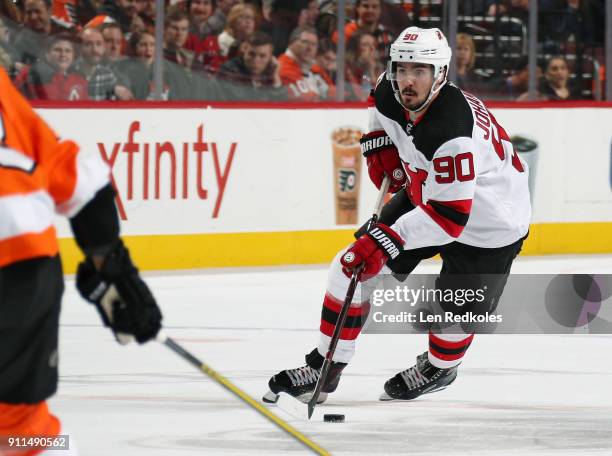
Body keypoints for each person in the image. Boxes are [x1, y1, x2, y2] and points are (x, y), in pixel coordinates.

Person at [264, 27, 531, 403]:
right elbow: (378, 100)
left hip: (489, 222)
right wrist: (380, 144)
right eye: (401, 68)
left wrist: (386, 240)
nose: (407, 80)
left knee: (454, 317)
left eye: (419, 70)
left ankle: (439, 368)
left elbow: (450, 219)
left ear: (440, 74)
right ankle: (326, 367)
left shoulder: (452, 131)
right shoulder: (391, 87)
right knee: (351, 266)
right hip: (429, 195)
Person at [0, 66, 162, 452]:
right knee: (20, 430)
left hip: (23, 266)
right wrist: (113, 267)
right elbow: (77, 180)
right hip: (25, 263)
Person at [15, 34, 89, 100]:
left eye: (68, 51)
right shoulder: (31, 74)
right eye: (57, 50)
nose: (63, 54)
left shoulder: (79, 78)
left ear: (73, 56)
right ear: (47, 54)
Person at [216, 31, 286, 101]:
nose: (256, 60)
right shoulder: (230, 70)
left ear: (270, 58)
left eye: (262, 56)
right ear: (244, 53)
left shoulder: (269, 72)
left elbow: (281, 105)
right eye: (251, 54)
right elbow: (245, 102)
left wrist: (275, 77)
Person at [75, 27, 134, 100]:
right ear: (79, 48)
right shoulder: (68, 73)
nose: (95, 50)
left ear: (103, 48)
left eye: (98, 44)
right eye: (88, 44)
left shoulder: (109, 76)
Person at [278, 25, 333, 101]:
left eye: (314, 44)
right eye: (305, 42)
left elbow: (334, 92)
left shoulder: (314, 68)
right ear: (291, 43)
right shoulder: (281, 68)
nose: (310, 48)